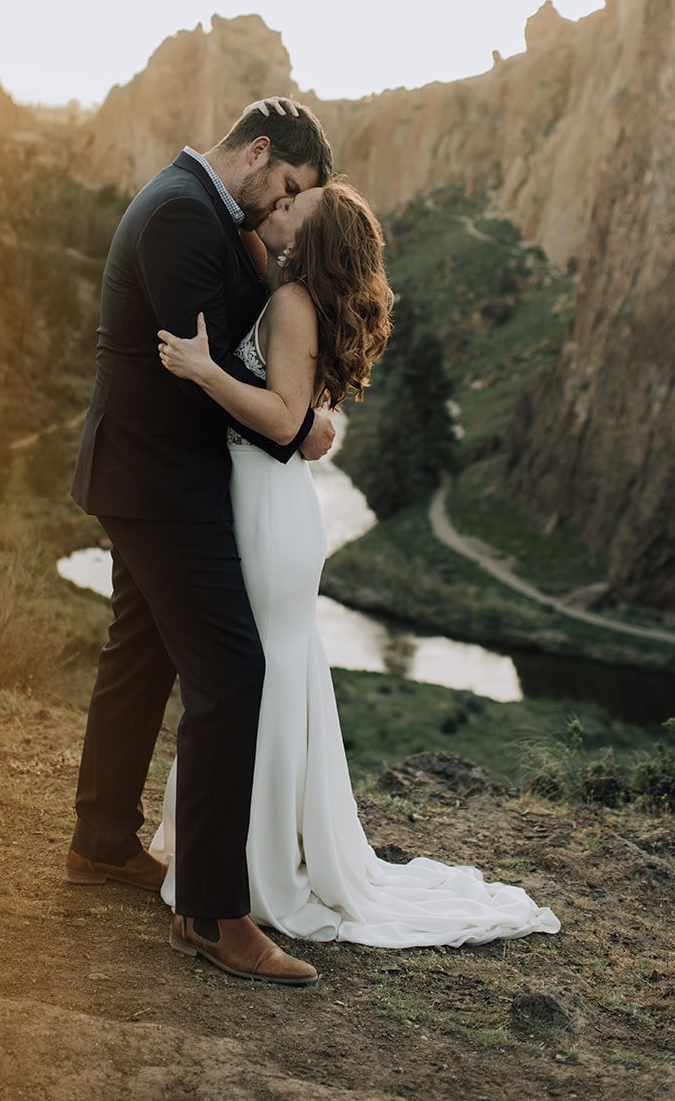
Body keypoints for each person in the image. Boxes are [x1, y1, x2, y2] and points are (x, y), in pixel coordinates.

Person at [152, 179, 562, 949]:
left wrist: (205, 371)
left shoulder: (295, 304)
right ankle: (229, 854)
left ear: (313, 240)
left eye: (292, 209)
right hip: (268, 502)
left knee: (254, 676)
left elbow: (282, 418)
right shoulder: (288, 290)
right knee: (259, 673)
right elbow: (307, 419)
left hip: (269, 509)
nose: (278, 210)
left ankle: (252, 870)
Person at [67, 98, 337, 985]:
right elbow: (202, 370)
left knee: (140, 653)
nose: (281, 208)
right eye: (286, 188)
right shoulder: (184, 213)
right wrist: (295, 432)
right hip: (160, 483)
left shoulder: (201, 208)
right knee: (232, 674)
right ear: (258, 152)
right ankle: (212, 915)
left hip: (149, 476)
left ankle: (102, 842)